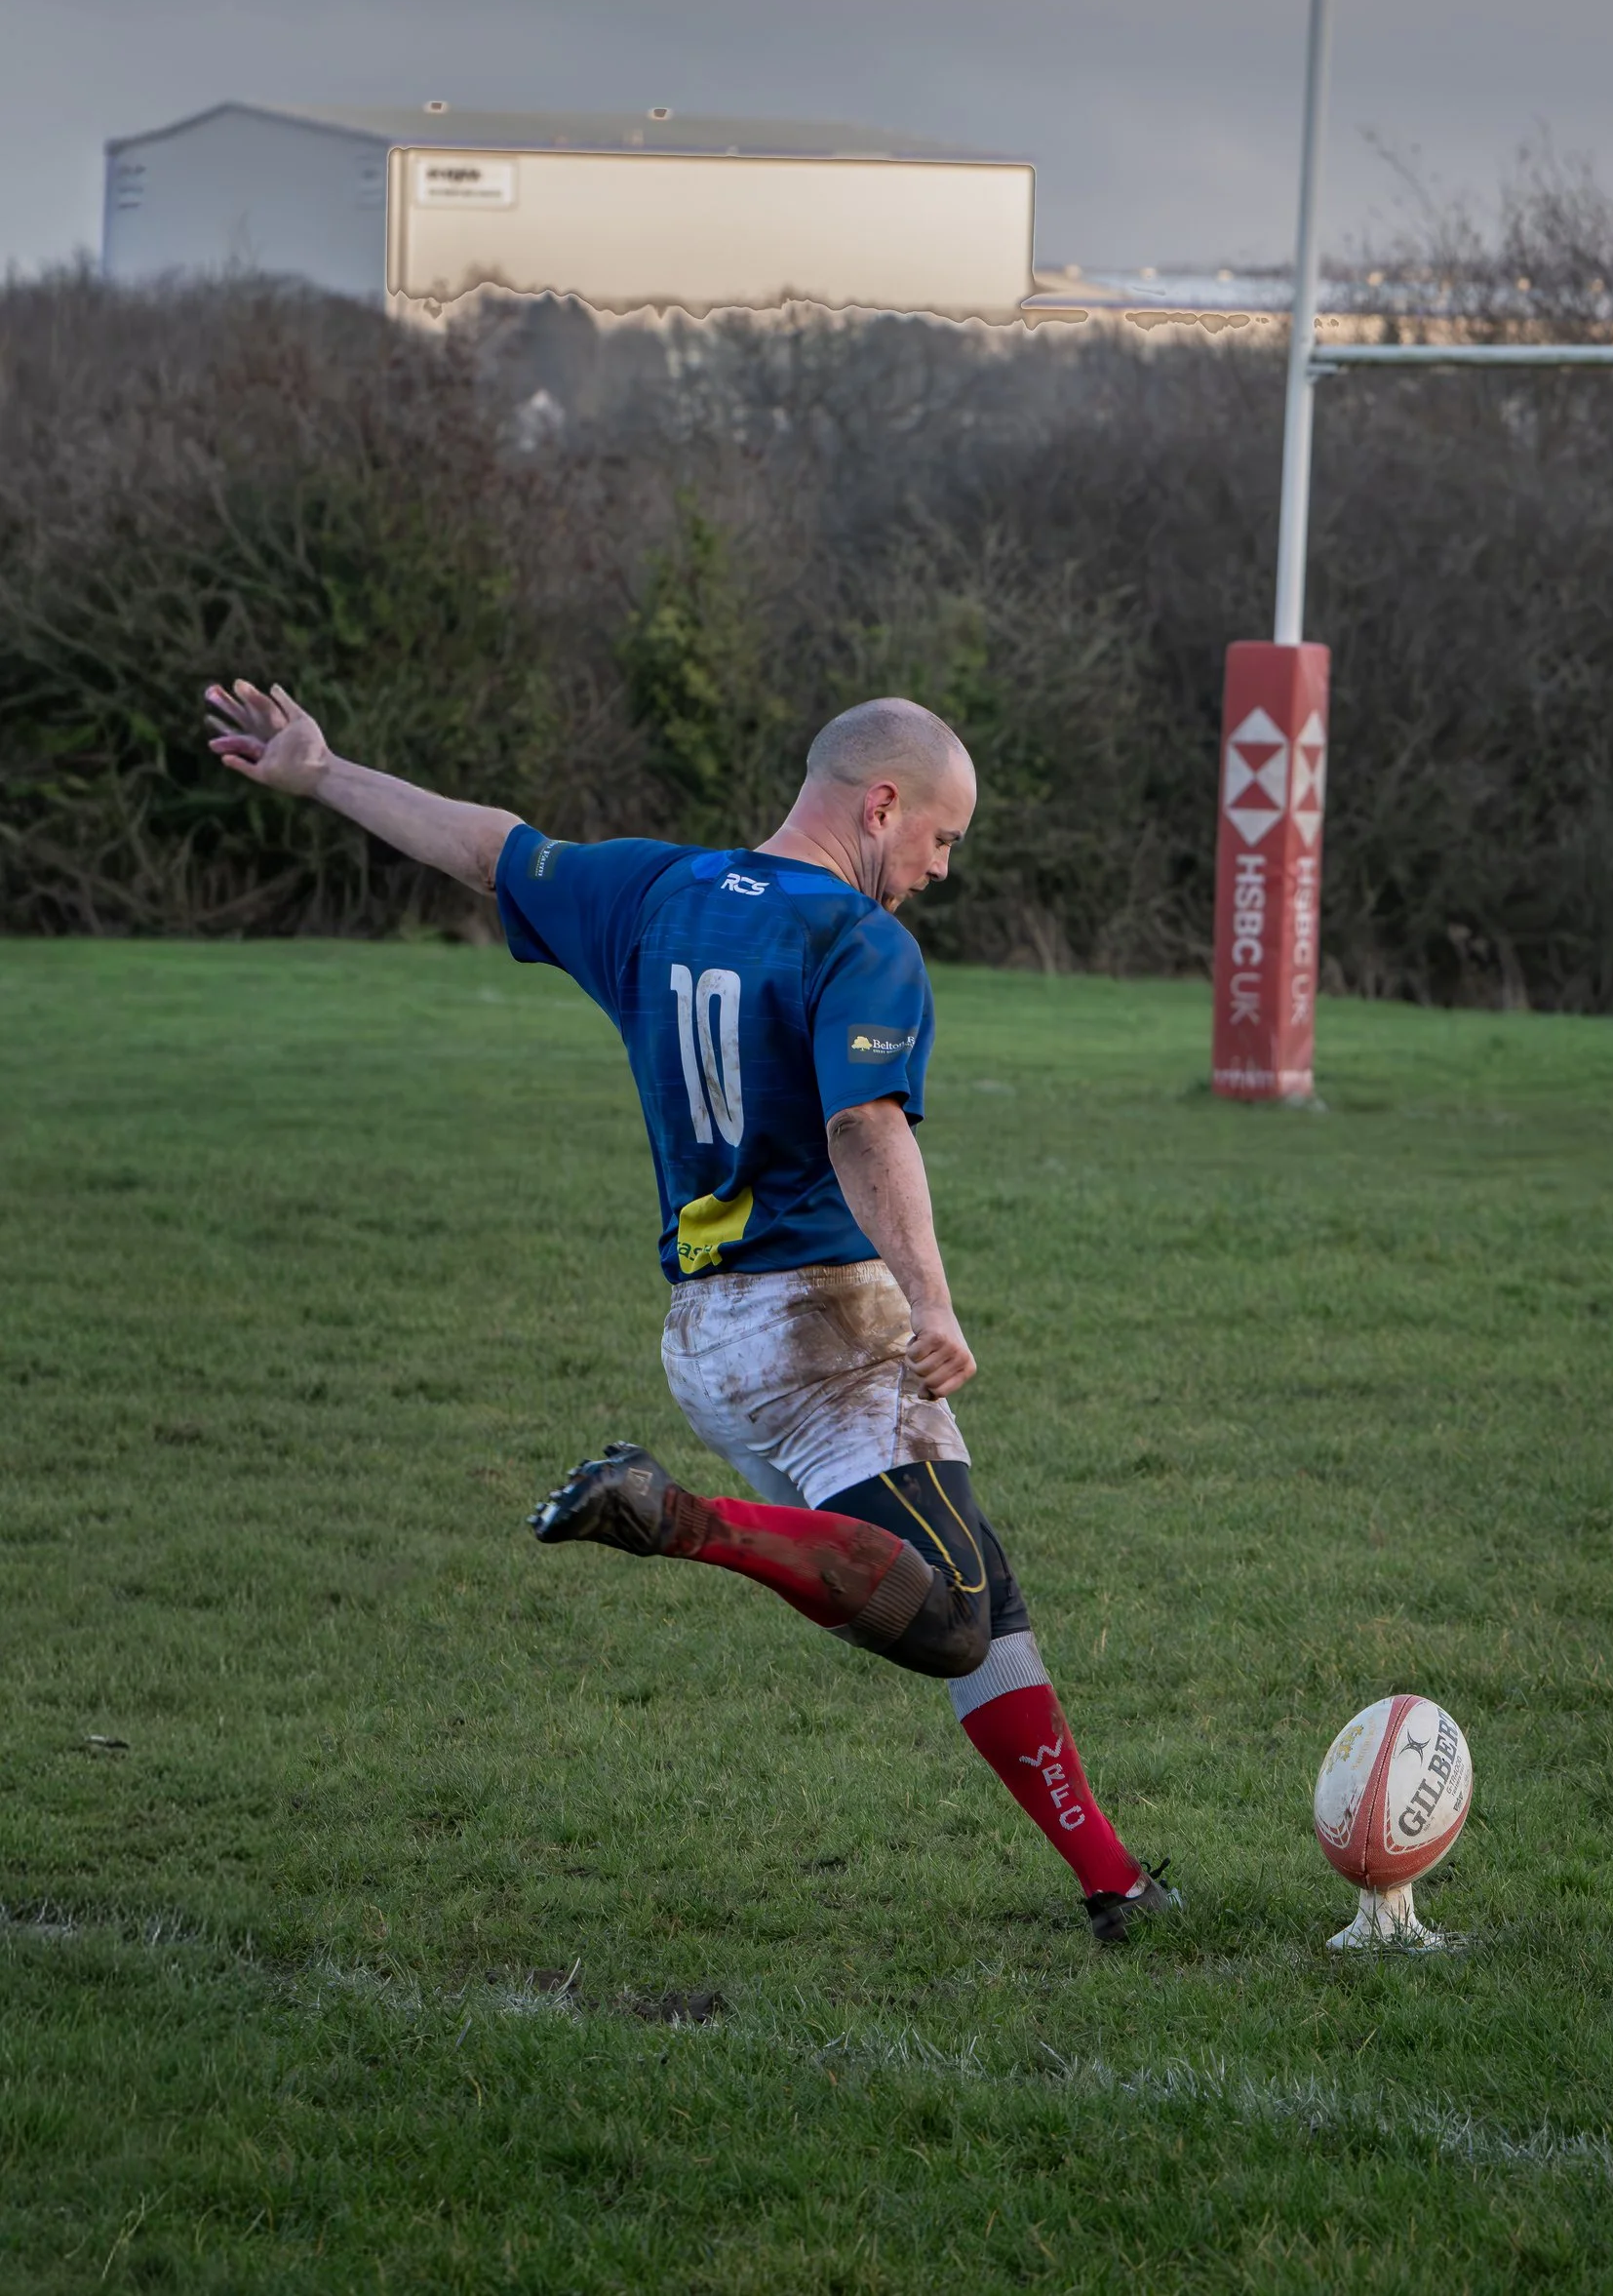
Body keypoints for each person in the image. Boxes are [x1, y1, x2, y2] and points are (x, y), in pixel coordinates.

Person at [203, 678, 1179, 1945]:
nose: (942, 867)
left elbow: (478, 844)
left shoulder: (655, 893)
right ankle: (684, 1522)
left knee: (972, 1592)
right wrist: (933, 1298)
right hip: (826, 1327)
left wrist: (324, 774)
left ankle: (1116, 1890)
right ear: (881, 804)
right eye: (941, 836)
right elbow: (866, 1127)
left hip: (707, 1339)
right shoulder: (856, 942)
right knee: (946, 1613)